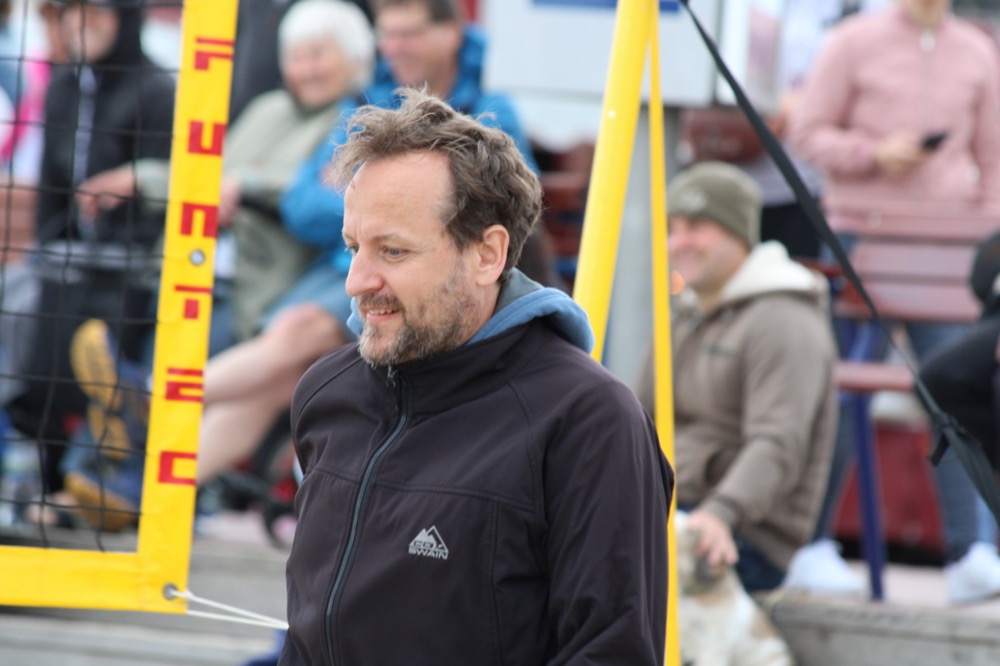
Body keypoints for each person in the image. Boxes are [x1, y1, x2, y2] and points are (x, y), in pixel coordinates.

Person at [279, 88, 672, 665]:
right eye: (353, 246)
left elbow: (611, 652)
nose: (357, 280)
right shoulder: (327, 393)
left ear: (488, 255)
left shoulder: (588, 420)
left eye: (392, 251)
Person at [49, 0, 376, 529]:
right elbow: (208, 173)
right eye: (296, 56)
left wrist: (245, 187)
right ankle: (93, 483)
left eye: (319, 55)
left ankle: (128, 455)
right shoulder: (268, 109)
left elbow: (308, 198)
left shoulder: (355, 122)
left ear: (355, 59)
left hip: (255, 287)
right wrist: (139, 177)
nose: (306, 68)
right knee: (136, 355)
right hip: (195, 267)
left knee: (172, 368)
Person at [789, 0, 1000, 603]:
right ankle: (810, 543)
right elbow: (807, 132)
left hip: (947, 249)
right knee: (836, 389)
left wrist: (986, 241)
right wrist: (873, 154)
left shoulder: (978, 50)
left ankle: (971, 550)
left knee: (956, 390)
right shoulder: (852, 40)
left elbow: (993, 158)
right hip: (863, 237)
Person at [636, 161, 836, 593]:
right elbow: (638, 420)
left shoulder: (784, 320)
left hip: (741, 536)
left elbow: (778, 444)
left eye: (696, 227)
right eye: (673, 228)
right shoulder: (686, 310)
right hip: (670, 508)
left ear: (739, 232)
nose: (678, 243)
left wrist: (721, 514)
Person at [3, 0, 174, 492]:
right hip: (68, 260)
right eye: (71, 12)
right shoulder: (62, 87)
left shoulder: (157, 90)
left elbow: (170, 193)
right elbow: (51, 193)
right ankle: (33, 464)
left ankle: (89, 476)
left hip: (133, 269)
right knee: (18, 302)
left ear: (124, 19)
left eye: (96, 12)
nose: (82, 23)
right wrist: (48, 250)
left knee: (93, 339)